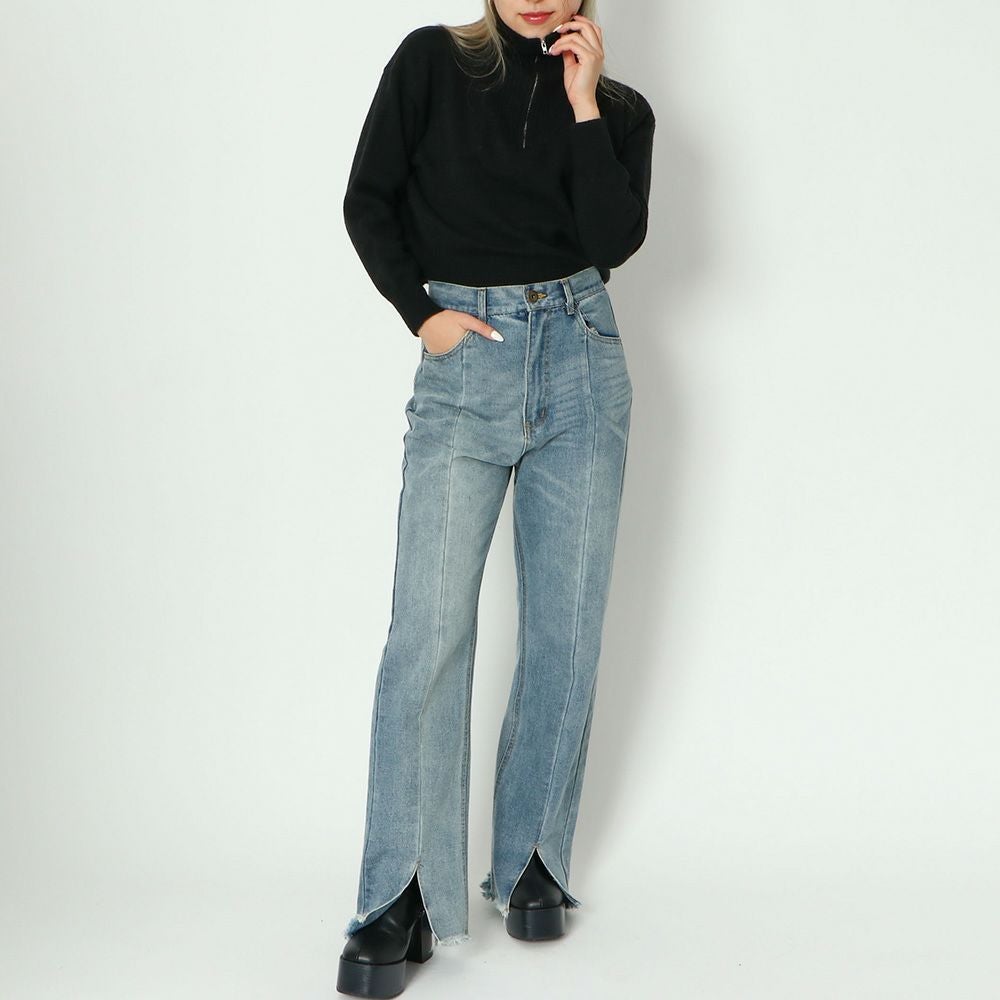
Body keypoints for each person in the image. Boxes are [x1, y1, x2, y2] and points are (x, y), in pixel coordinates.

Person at [337, 1, 655, 995]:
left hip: (582, 359)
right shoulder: (430, 63)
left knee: (566, 626)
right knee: (426, 632)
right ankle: (401, 894)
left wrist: (584, 106)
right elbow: (368, 198)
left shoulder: (621, 111)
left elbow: (612, 241)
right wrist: (421, 314)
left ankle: (533, 860)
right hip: (464, 360)